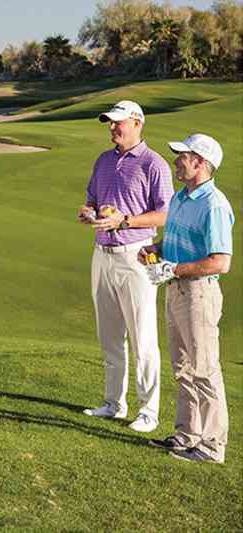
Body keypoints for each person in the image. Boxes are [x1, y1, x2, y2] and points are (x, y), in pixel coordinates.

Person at [78, 100, 174, 433]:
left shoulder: (154, 164)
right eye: (109, 123)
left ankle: (149, 411)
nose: (112, 127)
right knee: (110, 335)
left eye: (118, 122)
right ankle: (113, 403)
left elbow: (165, 214)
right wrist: (88, 211)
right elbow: (91, 198)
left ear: (137, 123)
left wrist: (126, 220)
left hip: (135, 256)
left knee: (143, 337)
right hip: (101, 255)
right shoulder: (104, 160)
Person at [141, 134, 234, 463]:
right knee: (182, 367)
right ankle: (186, 436)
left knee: (205, 369)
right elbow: (176, 237)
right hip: (177, 289)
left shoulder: (215, 205)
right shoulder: (181, 197)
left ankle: (211, 446)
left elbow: (220, 261)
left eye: (184, 156)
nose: (177, 160)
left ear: (201, 163)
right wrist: (157, 249)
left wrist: (175, 268)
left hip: (199, 293)